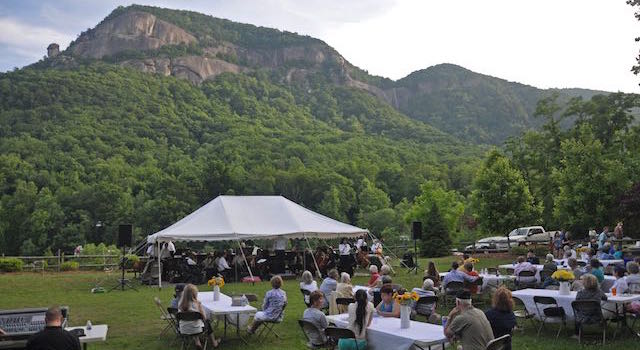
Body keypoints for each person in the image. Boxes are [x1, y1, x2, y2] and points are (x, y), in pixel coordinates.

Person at [177, 284, 219, 349]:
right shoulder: (197, 304)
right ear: (195, 294)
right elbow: (204, 318)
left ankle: (197, 342)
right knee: (206, 322)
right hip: (197, 329)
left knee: (192, 322)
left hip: (183, 329)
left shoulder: (180, 303)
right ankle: (214, 343)